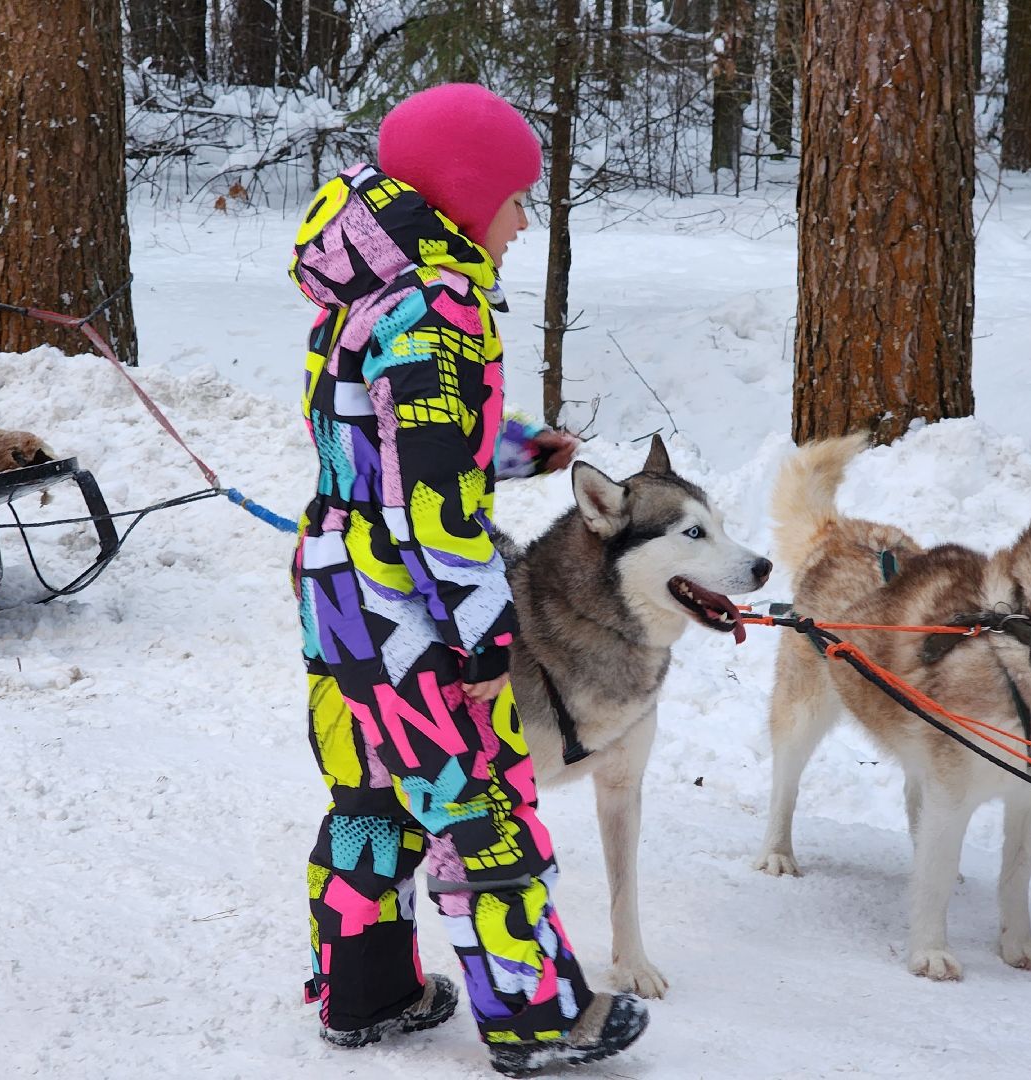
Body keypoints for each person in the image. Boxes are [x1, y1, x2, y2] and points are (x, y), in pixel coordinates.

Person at [288, 83, 649, 1077]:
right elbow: (432, 505)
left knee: (370, 793)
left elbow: (388, 441)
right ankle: (539, 1019)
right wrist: (483, 636)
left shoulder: (373, 289)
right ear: (465, 196)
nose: (527, 221)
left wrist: (521, 444)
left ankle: (366, 990)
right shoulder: (439, 310)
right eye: (517, 199)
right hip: (410, 605)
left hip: (339, 590)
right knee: (477, 795)